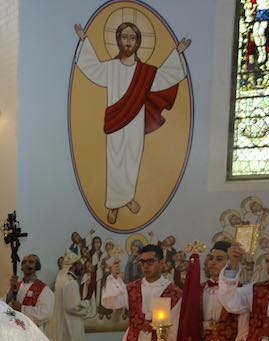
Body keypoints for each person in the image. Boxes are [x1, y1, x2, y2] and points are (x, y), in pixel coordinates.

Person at [73, 20, 190, 225]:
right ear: (118, 40)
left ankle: (126, 198)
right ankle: (114, 204)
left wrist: (177, 53)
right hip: (117, 121)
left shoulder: (145, 72)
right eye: (124, 37)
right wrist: (84, 40)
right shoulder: (111, 68)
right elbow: (92, 68)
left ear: (138, 42)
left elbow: (164, 77)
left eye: (132, 37)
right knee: (115, 161)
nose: (128, 41)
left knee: (132, 160)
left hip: (135, 122)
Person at [101, 244, 183, 341]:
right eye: (142, 262)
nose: (145, 266)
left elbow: (175, 331)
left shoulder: (174, 293)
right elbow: (111, 302)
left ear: (161, 263)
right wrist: (114, 277)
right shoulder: (131, 288)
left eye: (150, 261)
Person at [202, 241, 248, 341]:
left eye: (219, 259)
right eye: (211, 258)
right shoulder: (197, 289)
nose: (213, 262)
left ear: (229, 263)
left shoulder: (240, 292)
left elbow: (243, 332)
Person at [45, 250, 88, 341]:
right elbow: (72, 306)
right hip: (70, 325)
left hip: (62, 323)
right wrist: (86, 305)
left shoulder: (61, 280)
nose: (81, 266)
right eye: (79, 264)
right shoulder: (70, 282)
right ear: (73, 265)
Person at [6, 253, 54, 328]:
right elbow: (5, 305)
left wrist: (22, 308)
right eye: (24, 262)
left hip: (31, 330)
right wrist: (11, 289)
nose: (27, 264)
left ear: (37, 267)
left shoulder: (44, 289)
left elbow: (45, 314)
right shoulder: (16, 285)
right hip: (13, 328)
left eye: (31, 262)